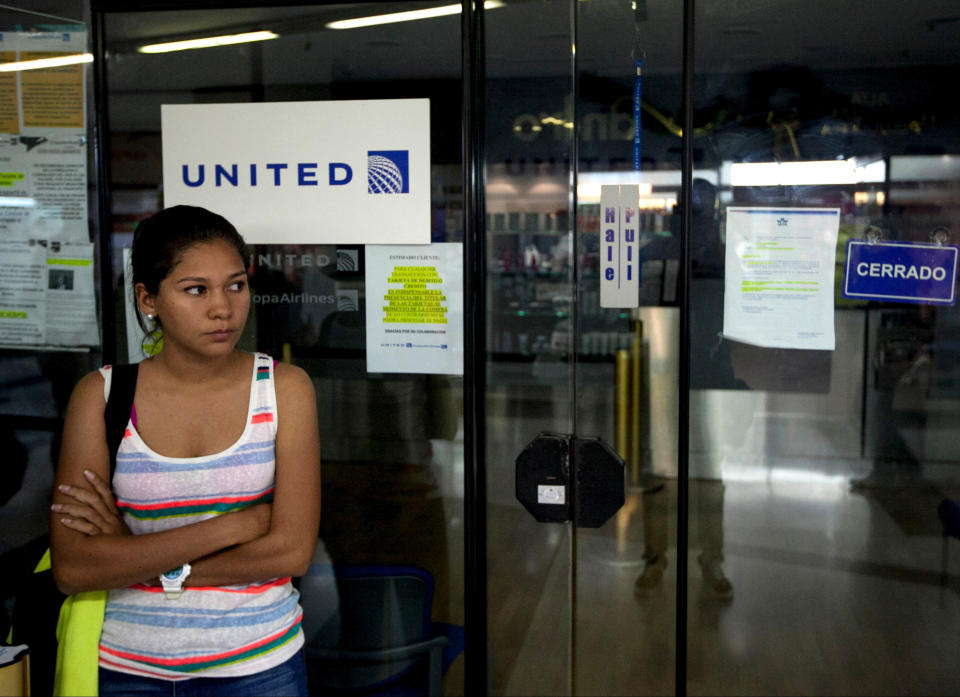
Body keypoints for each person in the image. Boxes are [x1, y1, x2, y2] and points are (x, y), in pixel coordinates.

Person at [49, 205, 321, 696]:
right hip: (126, 669)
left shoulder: (284, 389)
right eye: (196, 290)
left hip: (259, 666)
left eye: (235, 285)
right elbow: (74, 569)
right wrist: (235, 526)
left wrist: (135, 558)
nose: (222, 308)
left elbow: (292, 551)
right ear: (147, 298)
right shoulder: (103, 396)